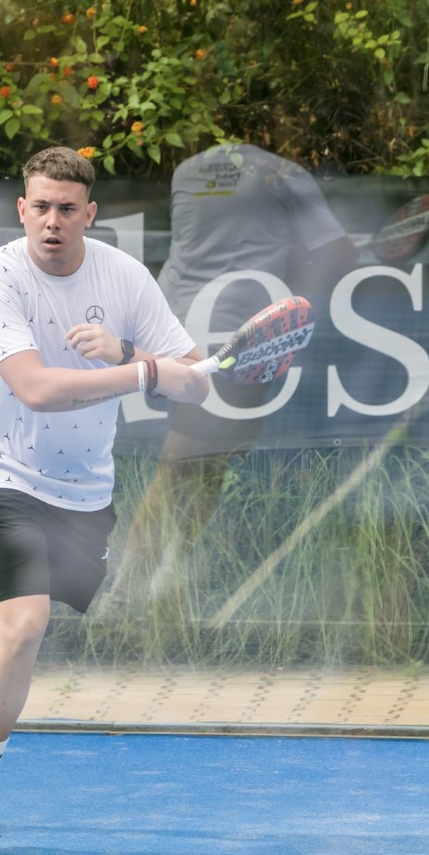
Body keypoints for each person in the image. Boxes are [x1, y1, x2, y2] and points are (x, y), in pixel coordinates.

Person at [0, 146, 210, 855]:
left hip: (84, 484)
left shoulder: (125, 277)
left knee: (5, 630)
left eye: (66, 209)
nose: (51, 221)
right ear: (21, 210)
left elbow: (196, 381)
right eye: (40, 207)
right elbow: (36, 388)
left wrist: (128, 353)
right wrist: (140, 372)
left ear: (89, 214)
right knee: (26, 624)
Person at [107, 142, 356, 608]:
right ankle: (122, 596)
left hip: (177, 328)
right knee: (182, 461)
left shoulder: (187, 170)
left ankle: (167, 583)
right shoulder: (283, 172)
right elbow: (338, 254)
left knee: (208, 460)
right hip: (242, 335)